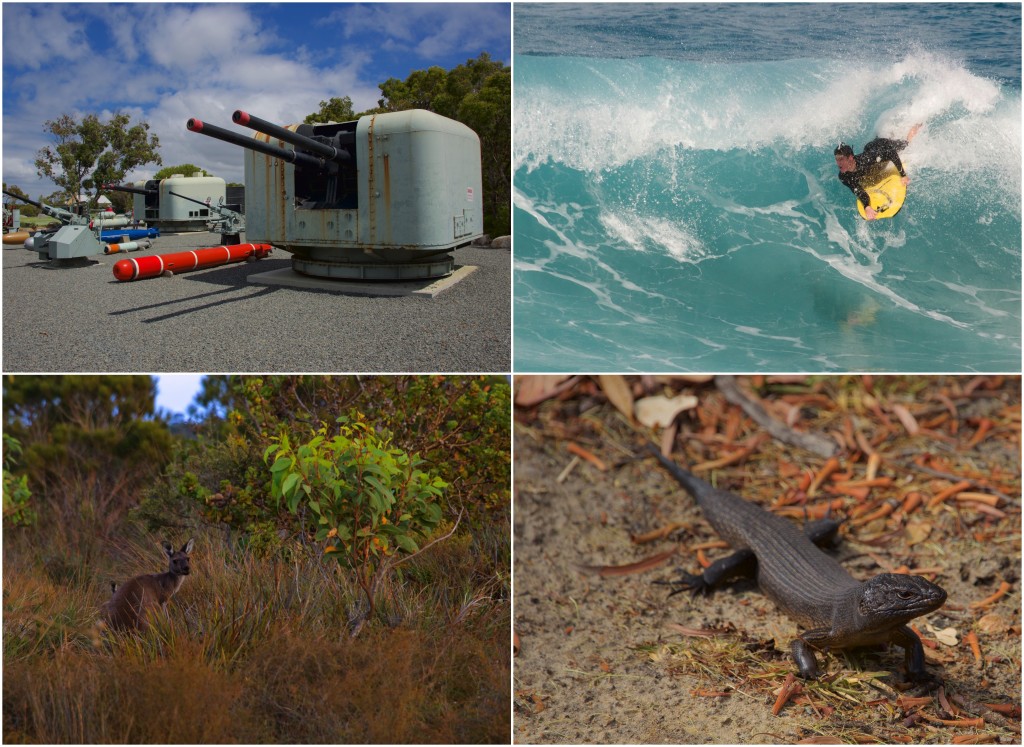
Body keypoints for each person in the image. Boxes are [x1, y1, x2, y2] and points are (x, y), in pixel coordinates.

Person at [835, 124, 921, 220]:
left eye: (841, 159)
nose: (838, 163)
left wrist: (903, 175)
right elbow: (858, 190)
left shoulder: (866, 161)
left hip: (882, 145)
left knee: (905, 144)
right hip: (870, 149)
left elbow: (891, 152)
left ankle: (916, 126)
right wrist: (867, 206)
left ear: (850, 158)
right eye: (837, 160)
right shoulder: (844, 176)